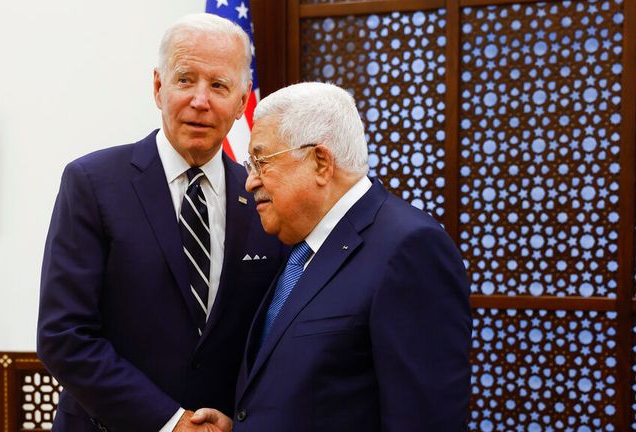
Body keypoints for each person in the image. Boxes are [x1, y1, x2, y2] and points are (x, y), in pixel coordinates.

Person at [37, 13, 283, 432]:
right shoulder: (92, 183)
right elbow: (64, 335)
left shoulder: (262, 195)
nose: (200, 101)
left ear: (242, 103)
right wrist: (169, 422)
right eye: (185, 79)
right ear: (158, 87)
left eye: (219, 85)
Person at [194, 82, 472, 431]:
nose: (250, 182)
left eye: (261, 162)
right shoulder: (300, 248)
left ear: (321, 162)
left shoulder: (409, 248)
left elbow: (425, 420)